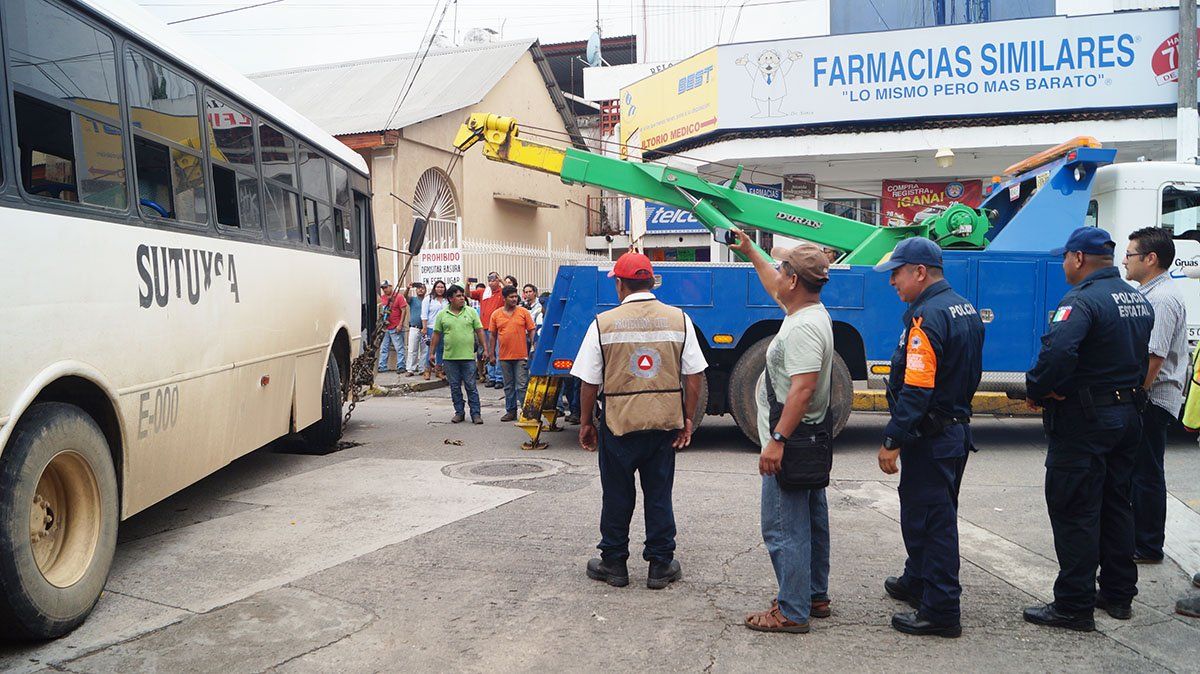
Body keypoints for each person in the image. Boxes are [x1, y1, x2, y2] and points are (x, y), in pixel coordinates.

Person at [1023, 226, 1153, 632]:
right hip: (1127, 415)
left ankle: (1073, 605)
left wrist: (1040, 390)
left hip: (1086, 421)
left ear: (1078, 258)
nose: (1063, 264)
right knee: (1117, 504)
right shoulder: (1136, 298)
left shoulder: (1080, 301)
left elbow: (1060, 352)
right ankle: (1117, 594)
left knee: (1075, 509)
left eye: (1065, 257)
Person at [571, 251, 707, 590]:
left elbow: (589, 381)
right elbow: (694, 376)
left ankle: (614, 564)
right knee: (659, 493)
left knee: (616, 494)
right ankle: (660, 565)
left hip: (619, 424)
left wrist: (587, 423)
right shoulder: (680, 319)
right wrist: (687, 418)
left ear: (620, 284)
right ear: (651, 282)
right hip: (663, 423)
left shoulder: (604, 323)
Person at [871, 237, 984, 639]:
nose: (892, 283)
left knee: (934, 522)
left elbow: (917, 389)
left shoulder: (926, 317)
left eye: (897, 274)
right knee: (925, 513)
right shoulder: (962, 307)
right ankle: (917, 579)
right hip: (952, 430)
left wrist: (892, 439)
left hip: (933, 436)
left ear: (920, 272)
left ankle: (940, 609)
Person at [727, 229, 835, 635]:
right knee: (810, 519)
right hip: (808, 437)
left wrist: (778, 441)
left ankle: (791, 610)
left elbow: (803, 389)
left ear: (794, 280)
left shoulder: (804, 326)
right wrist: (750, 250)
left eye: (782, 268)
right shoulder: (805, 310)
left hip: (794, 439)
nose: (778, 274)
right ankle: (813, 595)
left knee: (783, 526)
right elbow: (775, 285)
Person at [1122, 227, 1189, 564]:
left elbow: (1155, 355)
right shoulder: (1151, 294)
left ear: (1150, 259)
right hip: (1149, 395)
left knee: (1146, 472)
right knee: (1140, 470)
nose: (1124, 260)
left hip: (1153, 397)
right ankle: (1141, 539)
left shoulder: (1161, 299)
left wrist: (1138, 393)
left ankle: (1148, 545)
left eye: (1130, 255)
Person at [430, 285, 486, 424]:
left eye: (462, 295)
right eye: (459, 296)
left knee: (471, 386)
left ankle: (476, 414)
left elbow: (479, 331)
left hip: (467, 357)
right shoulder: (442, 315)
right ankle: (459, 413)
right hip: (449, 358)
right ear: (450, 298)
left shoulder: (471, 312)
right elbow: (436, 335)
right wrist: (431, 353)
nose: (462, 298)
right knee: (454, 387)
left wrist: (485, 348)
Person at [487, 286, 537, 422]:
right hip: (503, 356)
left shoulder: (523, 312)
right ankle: (511, 411)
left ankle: (527, 412)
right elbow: (492, 335)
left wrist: (534, 345)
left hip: (521, 356)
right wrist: (491, 354)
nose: (515, 299)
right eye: (511, 297)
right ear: (504, 298)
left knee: (521, 385)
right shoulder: (496, 314)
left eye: (516, 296)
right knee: (508, 386)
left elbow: (532, 330)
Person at [479, 272, 506, 389]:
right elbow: (467, 294)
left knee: (498, 353)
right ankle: (491, 377)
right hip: (485, 327)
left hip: (498, 327)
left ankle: (499, 378)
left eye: (494, 279)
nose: (491, 282)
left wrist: (501, 280)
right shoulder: (484, 292)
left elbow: (511, 290)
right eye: (489, 280)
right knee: (489, 353)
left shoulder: (502, 292)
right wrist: (467, 283)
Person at [377, 280, 408, 373]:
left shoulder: (398, 297)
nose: (384, 289)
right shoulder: (382, 298)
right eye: (383, 288)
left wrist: (400, 324)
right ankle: (382, 366)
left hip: (395, 326)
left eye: (386, 287)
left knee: (399, 347)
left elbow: (404, 310)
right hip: (385, 327)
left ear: (391, 286)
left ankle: (401, 365)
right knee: (384, 347)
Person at [422, 280, 449, 381]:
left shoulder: (447, 300)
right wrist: (424, 328)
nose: (440, 289)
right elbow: (424, 314)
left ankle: (438, 370)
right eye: (438, 287)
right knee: (430, 349)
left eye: (442, 287)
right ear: (434, 288)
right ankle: (427, 370)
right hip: (431, 327)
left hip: (444, 328)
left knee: (441, 349)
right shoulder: (428, 299)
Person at [405, 282, 427, 377]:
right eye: (418, 288)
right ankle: (410, 369)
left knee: (425, 350)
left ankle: (422, 369)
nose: (420, 290)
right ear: (416, 290)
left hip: (425, 328)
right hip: (414, 327)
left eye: (422, 288)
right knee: (412, 349)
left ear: (425, 290)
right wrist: (408, 288)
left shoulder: (428, 300)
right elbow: (405, 297)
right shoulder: (413, 300)